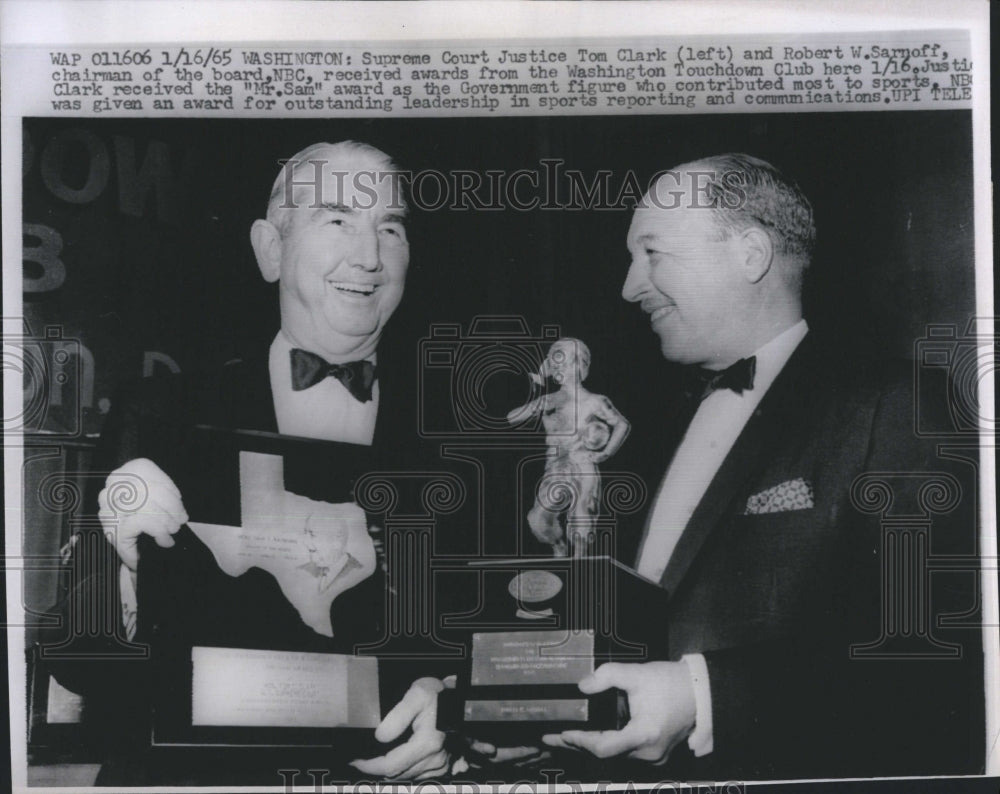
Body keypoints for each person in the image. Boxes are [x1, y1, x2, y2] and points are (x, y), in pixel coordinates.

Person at [385, 153, 985, 781]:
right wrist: (516, 723)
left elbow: (943, 672)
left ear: (750, 254)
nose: (628, 286)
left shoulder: (895, 405)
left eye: (653, 253)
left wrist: (705, 697)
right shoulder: (646, 433)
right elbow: (622, 649)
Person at [41, 140, 456, 783]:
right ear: (270, 249)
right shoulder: (161, 416)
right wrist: (120, 562)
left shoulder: (452, 444)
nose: (370, 257)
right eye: (338, 218)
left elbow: (492, 643)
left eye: (390, 228)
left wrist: (453, 704)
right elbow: (77, 658)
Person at [506, 337, 630, 556]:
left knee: (582, 519)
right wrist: (538, 400)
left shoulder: (596, 401)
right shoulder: (551, 400)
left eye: (566, 361)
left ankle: (578, 566)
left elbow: (622, 424)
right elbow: (512, 417)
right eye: (555, 362)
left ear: (580, 365)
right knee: (537, 520)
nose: (559, 367)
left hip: (583, 463)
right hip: (556, 467)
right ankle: (558, 546)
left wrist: (605, 453)